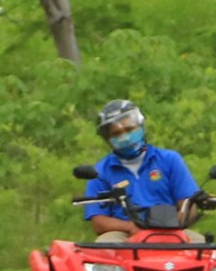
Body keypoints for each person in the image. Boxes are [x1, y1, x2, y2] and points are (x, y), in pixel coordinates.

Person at [84, 99, 204, 241]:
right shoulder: (100, 171)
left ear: (140, 127)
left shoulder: (170, 159)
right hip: (125, 233)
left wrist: (176, 223)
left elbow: (187, 203)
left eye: (129, 130)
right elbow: (98, 221)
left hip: (171, 229)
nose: (125, 137)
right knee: (105, 244)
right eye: (117, 134)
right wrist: (130, 227)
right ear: (108, 139)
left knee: (199, 246)